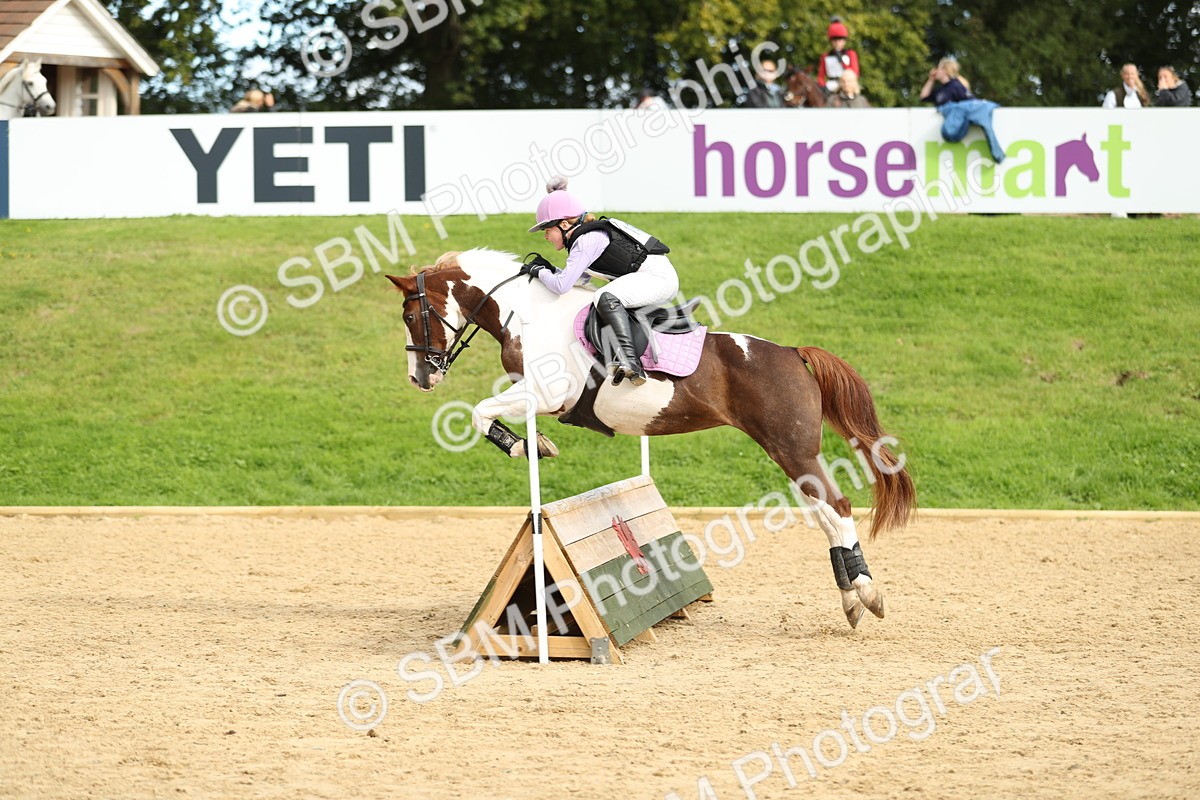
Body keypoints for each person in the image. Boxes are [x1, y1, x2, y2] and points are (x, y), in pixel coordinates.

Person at [523, 178, 679, 387]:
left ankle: (630, 362)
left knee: (604, 296)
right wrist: (550, 270)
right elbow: (578, 279)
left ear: (564, 224)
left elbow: (562, 286)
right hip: (653, 277)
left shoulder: (586, 240)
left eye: (547, 230)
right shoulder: (585, 237)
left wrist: (539, 272)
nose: (546, 236)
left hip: (658, 279)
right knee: (605, 295)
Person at [920, 58, 1005, 163]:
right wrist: (931, 79)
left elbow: (971, 104)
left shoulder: (956, 86)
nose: (936, 71)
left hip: (955, 128)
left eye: (939, 68)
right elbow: (923, 96)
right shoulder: (940, 90)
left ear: (945, 70)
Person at [818, 17, 860, 95]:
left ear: (844, 41)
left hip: (847, 86)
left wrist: (841, 61)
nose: (837, 43)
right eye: (834, 40)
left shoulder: (851, 54)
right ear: (831, 41)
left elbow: (854, 73)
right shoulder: (825, 56)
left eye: (840, 40)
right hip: (830, 87)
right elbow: (820, 76)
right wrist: (823, 86)